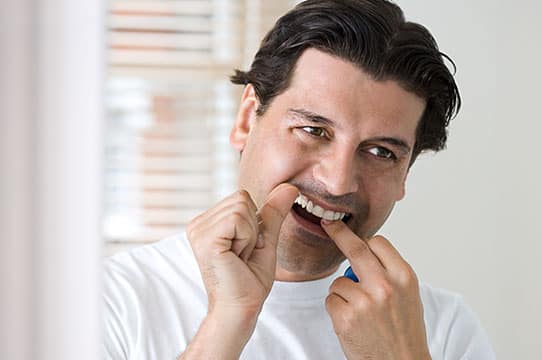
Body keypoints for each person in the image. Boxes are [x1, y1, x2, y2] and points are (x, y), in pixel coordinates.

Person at [102, 0, 496, 359]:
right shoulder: (113, 302)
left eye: (381, 152)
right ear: (246, 121)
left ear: (405, 175)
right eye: (313, 129)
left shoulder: (442, 331)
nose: (339, 182)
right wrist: (227, 324)